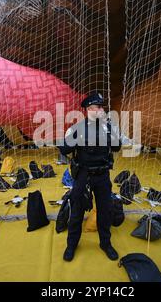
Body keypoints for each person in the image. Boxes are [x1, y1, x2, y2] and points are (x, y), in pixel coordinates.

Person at [58, 92, 122, 262]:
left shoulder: (108, 127)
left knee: (105, 211)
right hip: (83, 176)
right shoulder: (78, 127)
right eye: (98, 107)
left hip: (102, 176)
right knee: (77, 211)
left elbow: (116, 148)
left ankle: (105, 243)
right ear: (88, 109)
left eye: (102, 107)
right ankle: (71, 244)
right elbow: (64, 150)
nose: (101, 110)